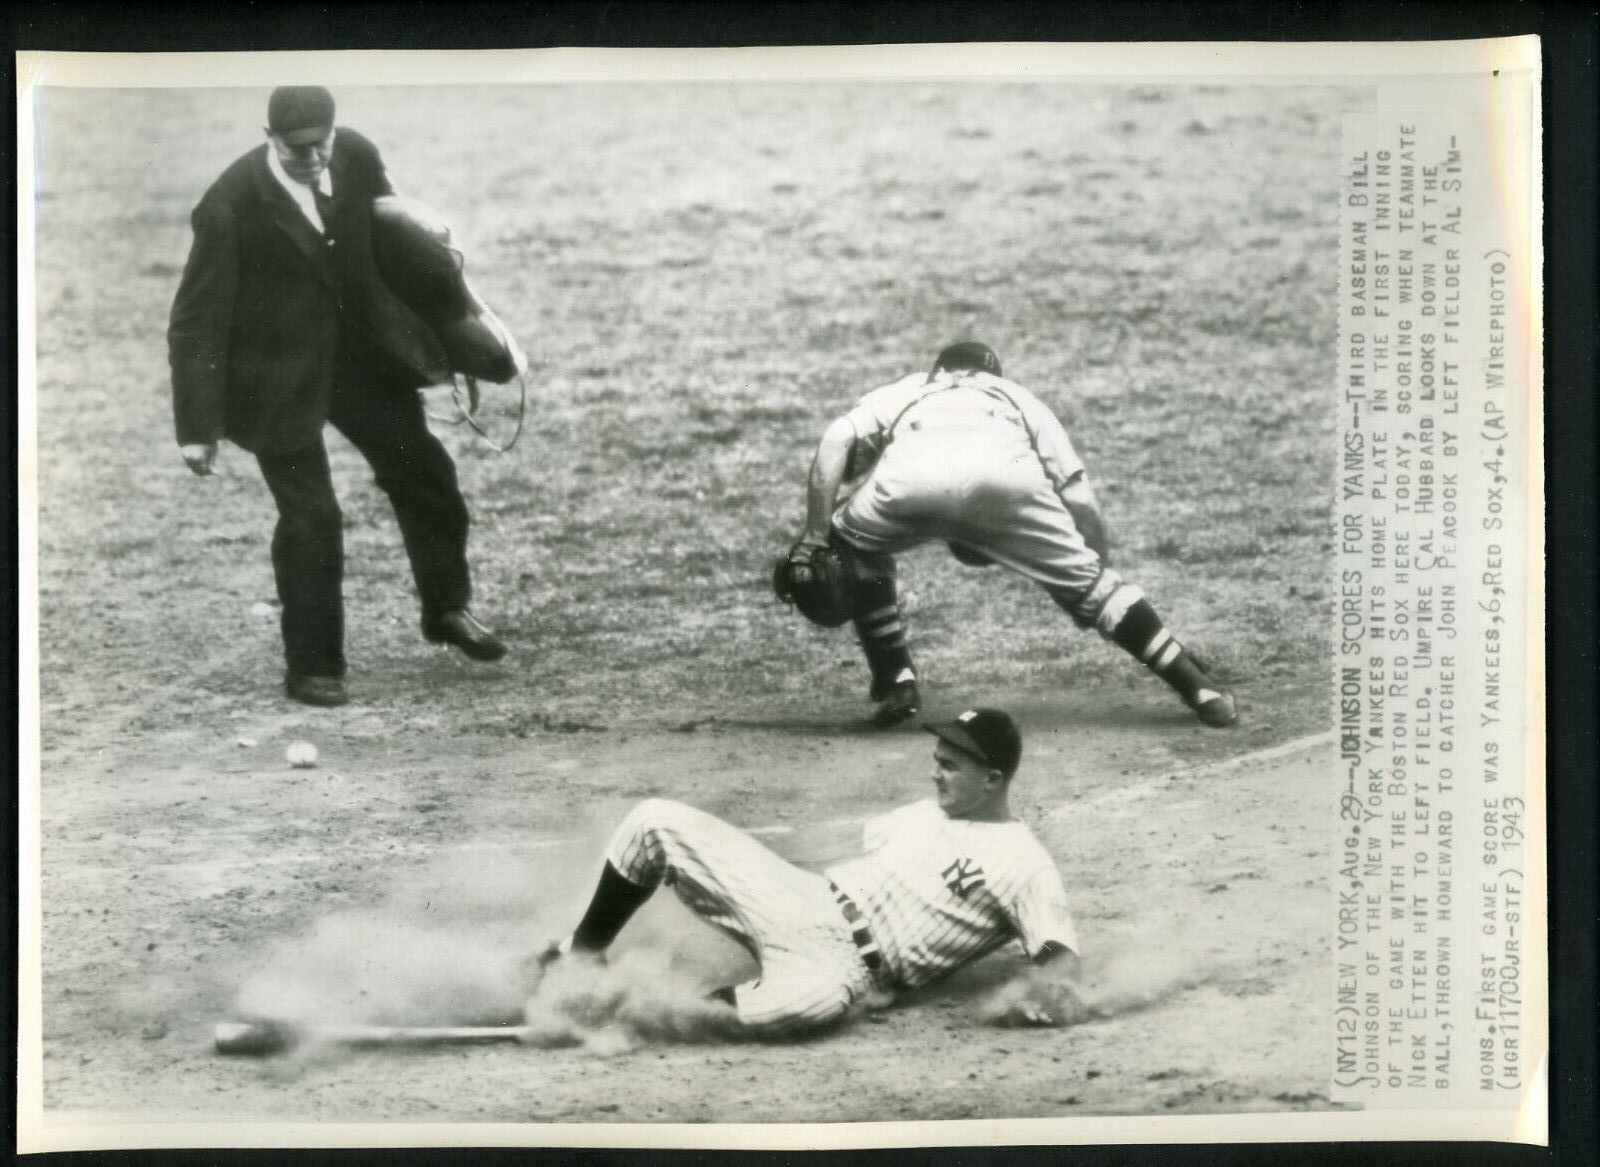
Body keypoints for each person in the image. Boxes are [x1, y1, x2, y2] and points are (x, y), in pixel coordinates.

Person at [168, 86, 507, 707]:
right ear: (268, 138)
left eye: (320, 142)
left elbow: (401, 247)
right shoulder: (229, 202)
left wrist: (450, 341)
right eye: (296, 150)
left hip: (358, 361)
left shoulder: (355, 154)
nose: (313, 157)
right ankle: (314, 666)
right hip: (273, 379)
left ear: (334, 131)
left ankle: (447, 607)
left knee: (425, 470)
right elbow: (196, 318)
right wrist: (197, 426)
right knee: (312, 518)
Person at [537, 708, 1086, 1034]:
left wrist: (1039, 996)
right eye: (936, 761)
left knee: (796, 1009)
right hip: (805, 896)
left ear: (992, 779)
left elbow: (1058, 957)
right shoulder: (917, 817)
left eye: (949, 766)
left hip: (847, 971)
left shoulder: (1024, 863)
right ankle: (578, 959)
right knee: (654, 820)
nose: (934, 774)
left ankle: (635, 1010)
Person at [791, 340, 1237, 729]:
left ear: (940, 370)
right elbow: (1079, 493)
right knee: (1101, 590)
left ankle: (895, 678)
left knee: (850, 546)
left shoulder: (912, 388)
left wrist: (815, 537)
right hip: (1006, 482)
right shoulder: (1016, 395)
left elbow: (835, 440)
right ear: (989, 374)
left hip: (909, 485)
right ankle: (1200, 690)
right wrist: (1098, 575)